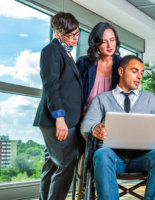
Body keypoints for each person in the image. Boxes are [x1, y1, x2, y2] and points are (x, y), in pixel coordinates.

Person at [81, 55, 155, 200]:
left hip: (143, 158)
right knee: (102, 154)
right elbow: (86, 126)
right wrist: (95, 128)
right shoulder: (102, 99)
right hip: (113, 157)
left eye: (142, 73)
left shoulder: (150, 99)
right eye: (134, 71)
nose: (139, 76)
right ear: (120, 71)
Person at [33, 12, 82, 200]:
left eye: (77, 33)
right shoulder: (51, 51)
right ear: (57, 33)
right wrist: (59, 118)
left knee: (52, 165)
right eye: (70, 35)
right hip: (57, 120)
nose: (75, 38)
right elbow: (51, 85)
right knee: (66, 164)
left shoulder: (66, 52)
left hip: (62, 120)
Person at [76, 22, 122, 115]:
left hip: (110, 120)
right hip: (84, 118)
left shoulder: (122, 64)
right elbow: (73, 92)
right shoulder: (84, 63)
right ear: (96, 43)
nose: (109, 45)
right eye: (104, 41)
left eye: (112, 40)